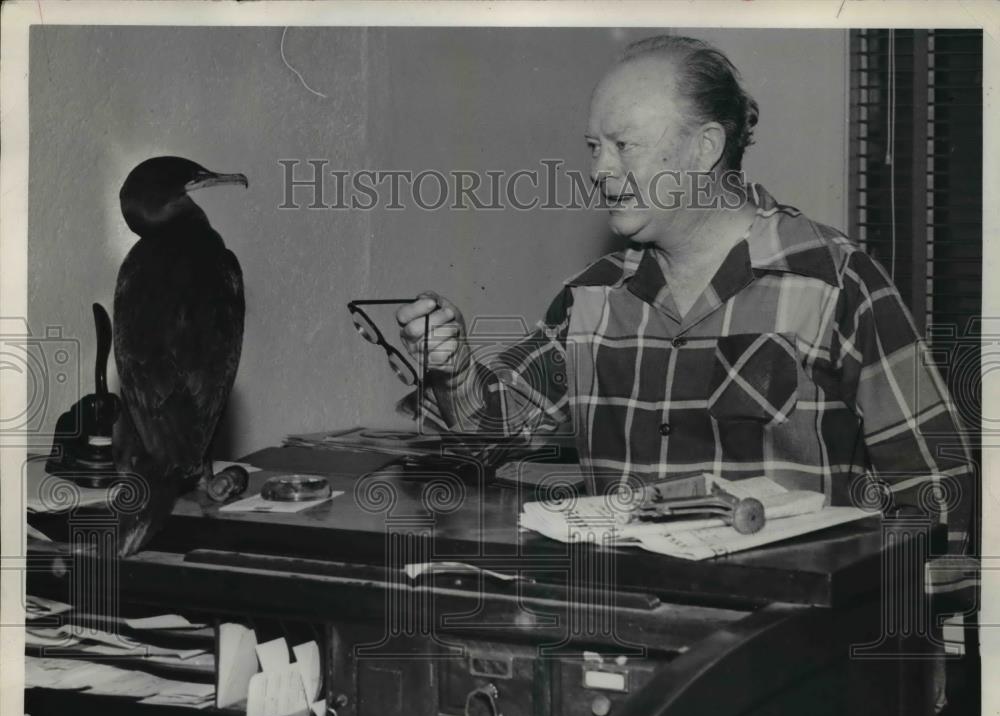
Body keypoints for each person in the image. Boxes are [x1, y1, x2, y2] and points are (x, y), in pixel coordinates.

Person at [395, 34, 973, 550]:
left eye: (626, 144)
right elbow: (490, 436)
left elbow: (938, 495)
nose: (600, 168)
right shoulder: (591, 298)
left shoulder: (835, 281)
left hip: (791, 644)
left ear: (705, 148)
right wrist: (453, 370)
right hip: (628, 628)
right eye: (594, 146)